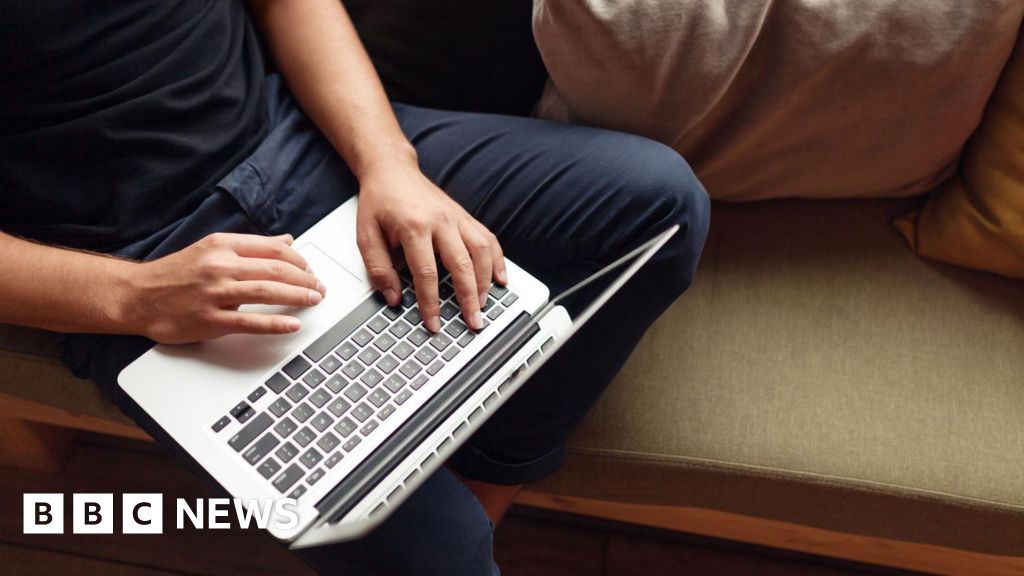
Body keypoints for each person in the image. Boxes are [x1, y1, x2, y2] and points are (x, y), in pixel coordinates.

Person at [0, 0, 709, 573]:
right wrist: (135, 296)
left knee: (659, 205)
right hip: (140, 260)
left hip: (298, 137)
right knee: (439, 557)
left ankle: (485, 482)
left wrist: (387, 164)